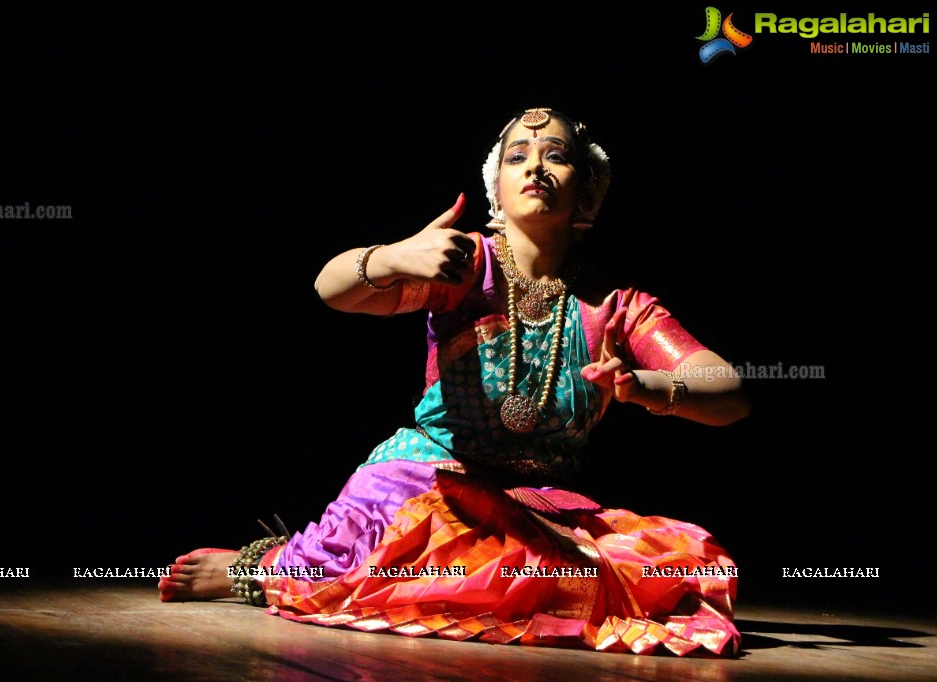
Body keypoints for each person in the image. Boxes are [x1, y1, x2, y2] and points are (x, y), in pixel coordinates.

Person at [158, 107, 751, 657]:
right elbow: (329, 288)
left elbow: (728, 392)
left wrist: (650, 389)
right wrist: (394, 258)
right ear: (496, 183)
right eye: (518, 156)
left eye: (556, 155)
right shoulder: (464, 264)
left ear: (587, 188)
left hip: (531, 508)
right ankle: (258, 567)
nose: (536, 167)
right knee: (378, 561)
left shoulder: (616, 306)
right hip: (425, 482)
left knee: (680, 567)